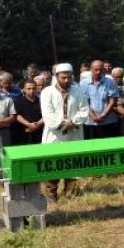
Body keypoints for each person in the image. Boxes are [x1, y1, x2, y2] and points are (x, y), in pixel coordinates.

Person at [40, 63, 89, 202]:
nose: (66, 80)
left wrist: (72, 123)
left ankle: (70, 192)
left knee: (73, 161)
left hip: (74, 133)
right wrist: (62, 125)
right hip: (54, 135)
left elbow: (84, 110)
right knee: (53, 162)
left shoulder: (78, 91)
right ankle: (51, 193)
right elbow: (47, 114)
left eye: (69, 77)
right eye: (63, 78)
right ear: (56, 76)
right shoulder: (47, 92)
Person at [81, 60, 120, 139]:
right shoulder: (83, 83)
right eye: (96, 69)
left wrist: (103, 115)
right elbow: (84, 103)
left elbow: (112, 101)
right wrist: (93, 116)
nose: (98, 72)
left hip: (108, 121)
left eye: (100, 69)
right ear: (91, 70)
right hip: (90, 122)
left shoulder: (110, 82)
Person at [13, 79, 44, 145]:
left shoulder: (42, 101)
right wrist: (29, 125)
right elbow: (17, 115)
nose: (31, 91)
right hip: (24, 133)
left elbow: (46, 114)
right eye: (28, 89)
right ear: (24, 89)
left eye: (34, 88)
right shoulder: (18, 101)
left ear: (37, 89)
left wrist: (38, 124)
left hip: (40, 132)